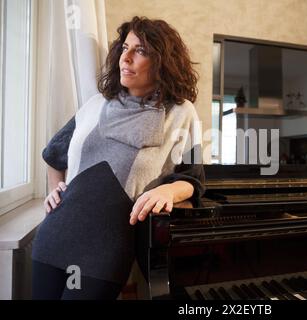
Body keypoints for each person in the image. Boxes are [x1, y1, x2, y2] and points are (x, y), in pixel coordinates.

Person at [31, 16, 205, 300]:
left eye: (141, 50)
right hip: (53, 237)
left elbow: (193, 179)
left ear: (162, 61)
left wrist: (168, 190)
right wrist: (55, 189)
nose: (126, 57)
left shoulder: (180, 113)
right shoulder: (96, 104)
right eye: (125, 47)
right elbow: (53, 154)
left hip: (105, 251)